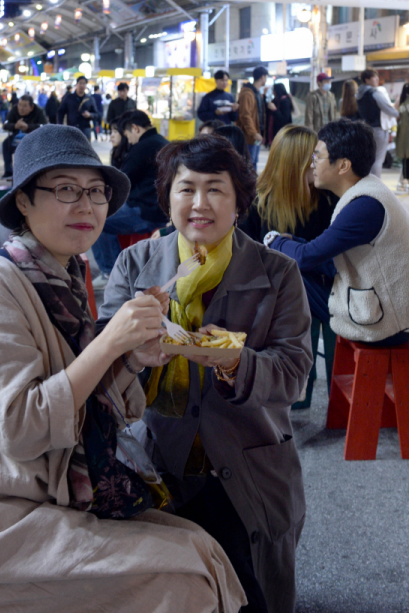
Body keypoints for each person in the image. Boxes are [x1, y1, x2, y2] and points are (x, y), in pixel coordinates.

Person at [0, 124, 245, 613]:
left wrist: (132, 360)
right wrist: (112, 341)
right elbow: (23, 428)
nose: (86, 206)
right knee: (188, 577)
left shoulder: (65, 277)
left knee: (204, 549)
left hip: (54, 492)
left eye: (96, 191)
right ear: (24, 204)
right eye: (65, 190)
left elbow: (86, 397)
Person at [97, 133, 312, 613]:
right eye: (186, 188)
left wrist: (230, 358)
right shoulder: (136, 265)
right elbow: (102, 374)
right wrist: (131, 346)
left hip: (251, 467)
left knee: (254, 592)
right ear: (168, 197)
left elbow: (294, 374)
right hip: (161, 466)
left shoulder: (277, 274)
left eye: (215, 189)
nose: (199, 203)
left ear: (238, 202)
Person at [268, 118, 409, 347]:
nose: (312, 164)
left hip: (384, 320)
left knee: (291, 274)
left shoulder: (364, 206)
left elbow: (306, 257)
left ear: (343, 165)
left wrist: (272, 240)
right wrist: (295, 241)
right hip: (381, 304)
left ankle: (293, 368)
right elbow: (325, 255)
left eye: (317, 156)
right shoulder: (365, 191)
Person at [242, 125, 338, 409]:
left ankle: (333, 396)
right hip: (277, 297)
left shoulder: (328, 199)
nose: (321, 163)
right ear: (297, 163)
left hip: (324, 291)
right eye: (315, 157)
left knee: (328, 318)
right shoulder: (258, 203)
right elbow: (245, 257)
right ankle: (297, 391)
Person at [91, 110, 169, 289]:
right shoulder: (163, 142)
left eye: (126, 135)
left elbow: (122, 180)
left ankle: (111, 272)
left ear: (135, 128)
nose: (129, 140)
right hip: (159, 210)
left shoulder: (143, 147)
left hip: (147, 212)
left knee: (98, 220)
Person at [356, 69, 399, 178]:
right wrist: (397, 112)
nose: (377, 79)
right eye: (375, 77)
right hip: (378, 129)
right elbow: (388, 108)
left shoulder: (358, 94)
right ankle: (376, 186)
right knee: (378, 160)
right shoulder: (374, 93)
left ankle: (367, 184)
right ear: (367, 80)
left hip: (365, 130)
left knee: (369, 159)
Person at [2, 94, 47, 179]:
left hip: (33, 138)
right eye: (20, 105)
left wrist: (28, 127)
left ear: (31, 107)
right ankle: (8, 172)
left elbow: (44, 126)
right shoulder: (14, 109)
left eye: (25, 106)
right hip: (17, 137)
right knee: (5, 144)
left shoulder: (39, 111)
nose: (21, 108)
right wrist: (15, 125)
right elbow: (5, 124)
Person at [236, 65, 269, 170]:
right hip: (249, 136)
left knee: (253, 162)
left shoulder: (256, 93)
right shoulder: (247, 93)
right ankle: (249, 186)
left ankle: (252, 185)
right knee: (249, 164)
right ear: (262, 77)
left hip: (255, 135)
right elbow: (245, 115)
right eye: (266, 77)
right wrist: (254, 133)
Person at [57, 76, 99, 141]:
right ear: (76, 84)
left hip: (85, 130)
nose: (82, 85)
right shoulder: (69, 98)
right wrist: (60, 126)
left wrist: (90, 115)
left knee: (85, 150)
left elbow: (96, 114)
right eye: (80, 83)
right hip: (71, 129)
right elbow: (61, 112)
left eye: (84, 83)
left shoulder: (90, 99)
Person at [395, 83, 409, 194]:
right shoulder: (403, 102)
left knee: (405, 159)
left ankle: (404, 181)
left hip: (403, 134)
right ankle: (405, 181)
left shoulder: (401, 102)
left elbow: (396, 116)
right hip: (405, 135)